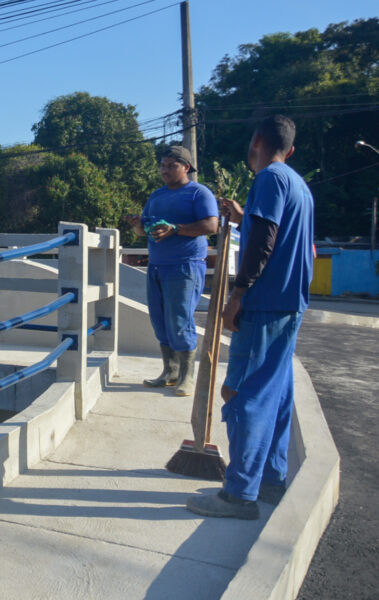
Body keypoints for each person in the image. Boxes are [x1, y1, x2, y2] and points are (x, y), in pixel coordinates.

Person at [187, 115, 314, 520]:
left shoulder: (269, 179)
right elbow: (290, 240)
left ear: (257, 141)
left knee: (243, 395)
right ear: (290, 149)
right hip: (290, 303)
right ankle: (271, 481)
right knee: (275, 394)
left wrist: (237, 295)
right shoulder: (298, 184)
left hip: (264, 303)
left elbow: (263, 242)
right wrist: (244, 217)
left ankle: (239, 493)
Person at [126, 146, 218, 397]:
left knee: (180, 320)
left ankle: (187, 377)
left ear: (186, 167)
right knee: (159, 320)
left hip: (185, 265)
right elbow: (143, 231)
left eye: (171, 166)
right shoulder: (156, 196)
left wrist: (176, 229)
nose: (164, 170)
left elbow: (211, 225)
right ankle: (170, 372)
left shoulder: (198, 193)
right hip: (156, 265)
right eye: (163, 165)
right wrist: (137, 225)